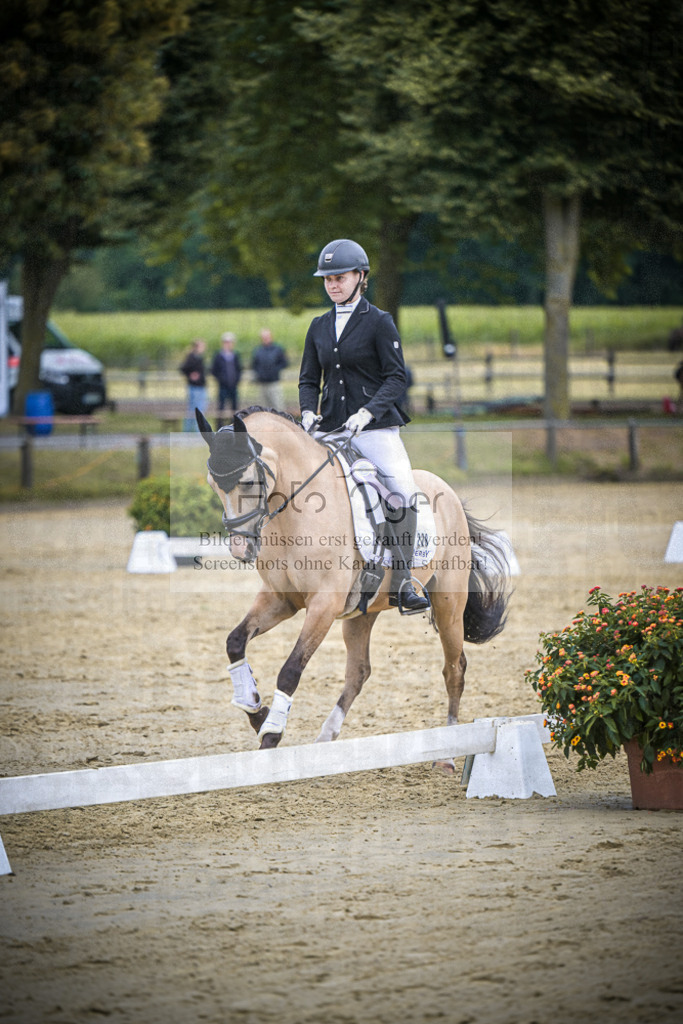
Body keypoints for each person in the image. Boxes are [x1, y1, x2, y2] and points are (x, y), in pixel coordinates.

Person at [298, 237, 430, 614]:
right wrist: (307, 412)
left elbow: (396, 377)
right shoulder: (319, 326)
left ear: (360, 276)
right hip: (329, 429)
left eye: (339, 277)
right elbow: (309, 379)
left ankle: (404, 582)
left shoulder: (379, 322)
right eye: (328, 279)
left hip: (374, 430)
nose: (332, 285)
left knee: (401, 491)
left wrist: (367, 413)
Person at [251, 328, 288, 410]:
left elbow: (284, 363)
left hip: (274, 383)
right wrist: (259, 374)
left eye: (267, 336)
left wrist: (274, 370)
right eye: (263, 337)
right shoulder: (258, 350)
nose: (265, 339)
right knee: (263, 408)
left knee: (278, 407)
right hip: (262, 384)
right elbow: (254, 365)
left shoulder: (278, 349)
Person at [211, 331, 242, 423]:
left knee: (234, 407)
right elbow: (214, 370)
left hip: (233, 385)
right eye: (226, 342)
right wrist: (221, 379)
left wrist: (237, 380)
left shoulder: (235, 355)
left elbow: (239, 369)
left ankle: (234, 425)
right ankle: (220, 426)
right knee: (221, 407)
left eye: (230, 342)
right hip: (223, 386)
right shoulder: (218, 356)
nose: (228, 344)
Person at [178, 337, 207, 430]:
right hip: (195, 387)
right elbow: (183, 368)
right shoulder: (192, 358)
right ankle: (192, 430)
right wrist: (191, 375)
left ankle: (193, 429)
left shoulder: (198, 358)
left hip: (200, 386)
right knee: (195, 409)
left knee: (196, 409)